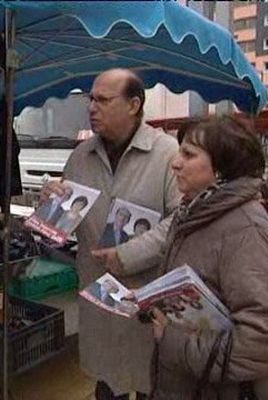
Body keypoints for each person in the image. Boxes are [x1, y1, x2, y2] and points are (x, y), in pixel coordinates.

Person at [40, 68, 180, 400]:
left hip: (145, 297)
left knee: (150, 381)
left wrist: (129, 255)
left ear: (134, 105)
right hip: (99, 296)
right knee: (107, 382)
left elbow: (181, 221)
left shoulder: (167, 154)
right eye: (91, 99)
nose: (92, 107)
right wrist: (50, 205)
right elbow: (63, 225)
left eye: (103, 100)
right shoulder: (80, 156)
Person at [149, 116, 268, 400]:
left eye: (188, 154)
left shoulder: (247, 231)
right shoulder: (194, 214)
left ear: (221, 170)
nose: (175, 163)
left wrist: (174, 343)